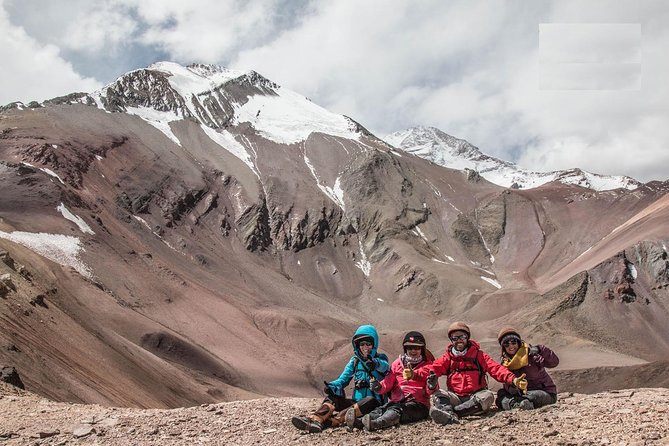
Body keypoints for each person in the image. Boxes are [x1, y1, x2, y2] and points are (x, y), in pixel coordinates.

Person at [424, 321, 528, 425]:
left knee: (488, 396)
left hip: (475, 397)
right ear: (451, 340)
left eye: (462, 337)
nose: (459, 341)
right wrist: (430, 384)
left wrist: (513, 379)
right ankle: (449, 413)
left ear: (467, 337)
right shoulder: (448, 358)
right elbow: (431, 370)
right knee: (438, 394)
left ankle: (452, 413)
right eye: (455, 338)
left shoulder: (479, 355)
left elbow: (496, 369)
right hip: (455, 396)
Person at [291, 324, 389, 433]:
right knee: (333, 397)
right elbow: (343, 379)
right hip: (356, 403)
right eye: (362, 344)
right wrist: (332, 386)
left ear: (374, 344)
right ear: (357, 345)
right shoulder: (355, 361)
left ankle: (333, 421)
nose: (365, 347)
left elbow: (385, 367)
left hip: (374, 405)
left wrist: (374, 364)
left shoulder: (381, 359)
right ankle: (316, 419)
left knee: (370, 400)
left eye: (368, 344)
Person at [349, 331, 436, 432]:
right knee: (381, 409)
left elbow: (432, 390)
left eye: (417, 348)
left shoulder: (429, 366)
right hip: (397, 401)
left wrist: (431, 386)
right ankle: (359, 422)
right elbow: (388, 382)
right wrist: (378, 387)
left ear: (422, 349)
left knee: (396, 410)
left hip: (419, 405)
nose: (413, 351)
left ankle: (376, 424)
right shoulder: (397, 364)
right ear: (405, 349)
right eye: (409, 348)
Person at [495, 326, 559, 410]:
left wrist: (540, 349)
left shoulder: (531, 355)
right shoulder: (506, 363)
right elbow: (506, 383)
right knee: (501, 394)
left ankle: (516, 404)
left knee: (528, 396)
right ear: (503, 347)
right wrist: (513, 387)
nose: (511, 346)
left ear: (518, 342)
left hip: (544, 392)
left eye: (513, 342)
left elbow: (554, 363)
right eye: (506, 344)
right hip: (521, 394)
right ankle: (518, 404)